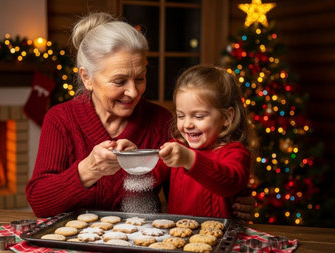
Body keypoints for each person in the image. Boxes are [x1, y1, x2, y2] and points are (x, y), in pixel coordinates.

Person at [25, 12, 254, 219]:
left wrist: (233, 200)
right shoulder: (60, 119)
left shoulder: (161, 121)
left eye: (140, 78)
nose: (133, 92)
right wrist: (89, 169)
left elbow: (186, 190)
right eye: (120, 81)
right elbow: (39, 203)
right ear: (87, 78)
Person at [152, 65, 251, 218]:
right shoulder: (177, 147)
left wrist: (189, 159)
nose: (187, 125)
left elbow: (230, 182)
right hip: (178, 238)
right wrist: (132, 156)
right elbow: (149, 176)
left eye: (198, 116)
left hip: (222, 239)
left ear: (226, 117)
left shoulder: (235, 152)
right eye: (181, 116)